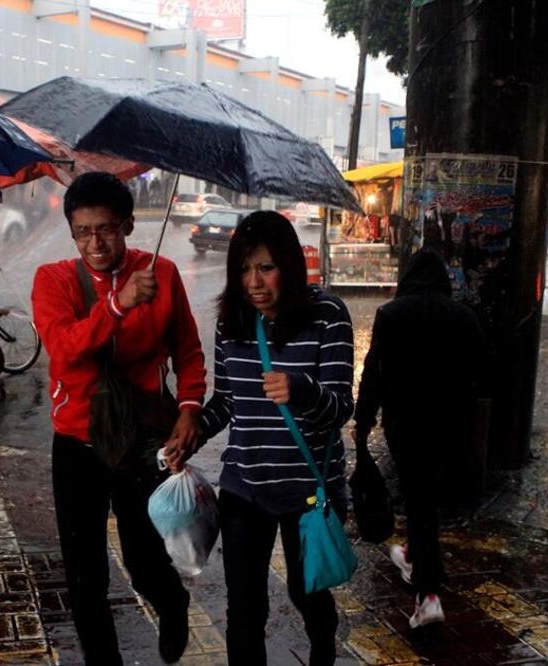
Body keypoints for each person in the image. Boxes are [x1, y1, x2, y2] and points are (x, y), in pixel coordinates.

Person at [30, 171, 206, 665]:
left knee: (145, 561)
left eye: (105, 228)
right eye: (82, 230)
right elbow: (64, 351)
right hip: (76, 445)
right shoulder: (54, 280)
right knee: (85, 577)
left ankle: (172, 602)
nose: (94, 241)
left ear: (128, 225)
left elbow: (189, 353)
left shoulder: (163, 274)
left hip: (140, 441)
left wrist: (190, 408)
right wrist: (117, 305)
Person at [198, 210, 354, 665]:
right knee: (244, 609)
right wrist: (191, 431)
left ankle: (323, 649)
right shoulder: (233, 323)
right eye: (244, 270)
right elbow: (227, 401)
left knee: (307, 593)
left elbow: (342, 407)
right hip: (245, 488)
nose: (254, 283)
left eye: (265, 267)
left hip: (311, 490)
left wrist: (301, 389)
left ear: (288, 264)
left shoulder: (328, 315)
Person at [354, 248, 485, 629]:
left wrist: (363, 420)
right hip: (451, 424)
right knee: (426, 500)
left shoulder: (392, 314)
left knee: (419, 500)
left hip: (406, 425)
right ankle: (415, 557)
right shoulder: (463, 316)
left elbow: (373, 371)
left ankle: (428, 595)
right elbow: (481, 368)